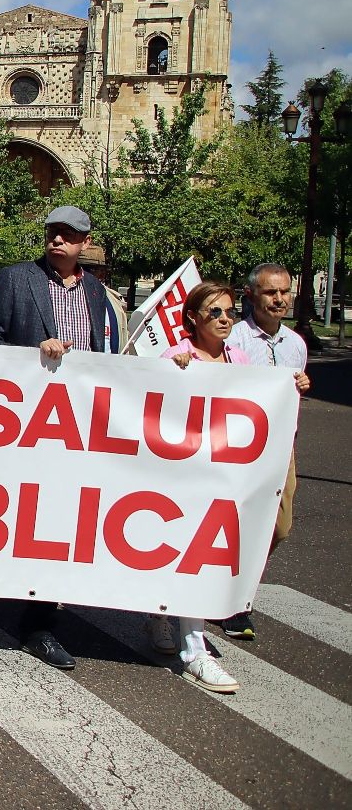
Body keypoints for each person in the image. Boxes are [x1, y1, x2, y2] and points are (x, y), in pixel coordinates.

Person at [0, 205, 110, 671]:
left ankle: (38, 625)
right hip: (20, 424)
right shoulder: (18, 279)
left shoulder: (96, 292)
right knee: (6, 515)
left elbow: (106, 357)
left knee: (55, 525)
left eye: (68, 235)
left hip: (72, 429)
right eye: (52, 233)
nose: (57, 241)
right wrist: (32, 356)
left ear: (84, 243)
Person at [154, 280, 245, 693]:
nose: (225, 319)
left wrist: (291, 388)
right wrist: (173, 374)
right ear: (193, 317)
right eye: (216, 313)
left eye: (231, 312)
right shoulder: (176, 356)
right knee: (183, 551)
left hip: (223, 476)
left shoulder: (241, 360)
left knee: (200, 556)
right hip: (181, 476)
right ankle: (185, 641)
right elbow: (149, 401)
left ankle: (176, 632)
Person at [223, 262, 312, 641]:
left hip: (280, 447)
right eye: (270, 292)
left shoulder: (296, 345)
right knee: (232, 523)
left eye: (284, 292)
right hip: (238, 449)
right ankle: (234, 600)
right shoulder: (234, 340)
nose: (279, 299)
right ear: (251, 296)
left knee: (279, 525)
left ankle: (240, 582)